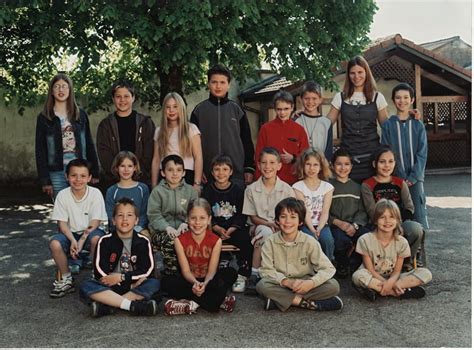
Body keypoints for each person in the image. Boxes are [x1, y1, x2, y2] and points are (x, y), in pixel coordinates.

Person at [256, 197, 343, 312]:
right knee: (262, 286)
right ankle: (307, 303)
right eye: (283, 217)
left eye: (293, 217)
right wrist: (287, 282)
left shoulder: (310, 241)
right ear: (277, 220)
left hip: (305, 283)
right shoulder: (270, 242)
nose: (287, 221)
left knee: (333, 286)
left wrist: (311, 283)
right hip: (282, 284)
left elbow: (328, 269)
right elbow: (266, 271)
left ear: (300, 221)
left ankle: (280, 300)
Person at [79, 198, 160, 317]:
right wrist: (128, 285)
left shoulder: (143, 241)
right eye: (120, 215)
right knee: (86, 285)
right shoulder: (104, 241)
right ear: (113, 220)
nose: (125, 219)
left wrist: (123, 277)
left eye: (129, 215)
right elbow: (100, 271)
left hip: (134, 283)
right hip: (112, 286)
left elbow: (148, 270)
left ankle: (109, 306)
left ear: (136, 220)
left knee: (154, 283)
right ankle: (133, 306)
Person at [162, 198, 238, 315]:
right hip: (189, 280)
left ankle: (190, 304)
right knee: (167, 282)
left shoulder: (216, 240)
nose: (197, 222)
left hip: (209, 280)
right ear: (187, 219)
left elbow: (212, 271)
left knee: (231, 273)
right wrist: (195, 284)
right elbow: (186, 271)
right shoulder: (179, 240)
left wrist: (205, 284)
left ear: (209, 219)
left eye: (202, 218)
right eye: (193, 218)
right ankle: (219, 301)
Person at [352, 199, 432, 301]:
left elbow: (397, 271)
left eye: (391, 217)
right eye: (382, 217)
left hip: (395, 277)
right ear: (375, 220)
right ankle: (396, 292)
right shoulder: (365, 240)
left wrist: (391, 282)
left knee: (426, 273)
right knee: (357, 276)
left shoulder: (401, 242)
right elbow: (370, 269)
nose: (387, 221)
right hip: (373, 276)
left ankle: (380, 290)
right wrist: (390, 284)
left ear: (398, 220)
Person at [49, 159, 107, 298]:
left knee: (97, 239)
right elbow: (61, 223)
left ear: (89, 178)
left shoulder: (95, 193)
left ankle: (97, 274)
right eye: (74, 175)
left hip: (90, 232)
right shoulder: (62, 195)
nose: (78, 179)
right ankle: (66, 277)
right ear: (66, 177)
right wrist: (72, 240)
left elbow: (95, 221)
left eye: (83, 176)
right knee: (55, 243)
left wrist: (81, 240)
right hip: (70, 233)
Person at [35, 73, 99, 199]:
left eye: (64, 86)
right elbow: (40, 150)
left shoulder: (80, 115)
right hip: (56, 171)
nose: (61, 90)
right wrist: (45, 179)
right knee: (62, 210)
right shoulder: (44, 118)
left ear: (70, 90)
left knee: (81, 209)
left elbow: (89, 143)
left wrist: (95, 171)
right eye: (57, 86)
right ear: (51, 91)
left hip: (80, 169)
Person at [190, 64, 255, 186]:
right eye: (214, 82)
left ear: (228, 85)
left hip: (235, 174)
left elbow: (247, 141)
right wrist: (197, 170)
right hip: (207, 174)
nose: (218, 86)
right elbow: (190, 145)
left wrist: (249, 168)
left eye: (222, 82)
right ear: (208, 84)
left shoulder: (237, 110)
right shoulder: (199, 111)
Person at [327, 56, 389, 182]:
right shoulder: (340, 97)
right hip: (349, 158)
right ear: (348, 75)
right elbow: (325, 124)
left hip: (372, 157)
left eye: (360, 72)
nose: (356, 76)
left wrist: (407, 116)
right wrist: (307, 113)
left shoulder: (377, 97)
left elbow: (388, 126)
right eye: (352, 73)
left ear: (366, 72)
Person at [361, 146, 424, 270]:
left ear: (395, 163)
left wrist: (398, 224)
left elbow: (409, 207)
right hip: (379, 224)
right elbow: (372, 211)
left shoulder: (400, 183)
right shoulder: (367, 185)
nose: (386, 166)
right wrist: (387, 223)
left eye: (390, 161)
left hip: (400, 223)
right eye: (382, 162)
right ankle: (383, 264)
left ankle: (407, 261)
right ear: (375, 164)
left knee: (416, 229)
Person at [242, 147, 295, 294]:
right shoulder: (251, 189)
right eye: (264, 163)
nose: (268, 166)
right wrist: (268, 224)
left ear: (279, 166)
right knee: (265, 233)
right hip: (260, 225)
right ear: (258, 165)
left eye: (272, 162)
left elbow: (291, 215)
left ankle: (278, 274)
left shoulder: (286, 189)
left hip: (283, 226)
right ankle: (254, 274)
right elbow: (252, 217)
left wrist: (280, 225)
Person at [202, 155, 253, 293]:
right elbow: (204, 212)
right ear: (212, 172)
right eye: (217, 169)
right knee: (204, 238)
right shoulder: (207, 191)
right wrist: (215, 227)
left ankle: (243, 272)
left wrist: (231, 229)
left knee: (246, 239)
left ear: (231, 172)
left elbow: (242, 213)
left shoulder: (237, 190)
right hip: (214, 228)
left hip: (233, 228)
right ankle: (213, 267)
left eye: (225, 169)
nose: (221, 173)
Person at [381, 83, 429, 230]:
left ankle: (420, 252)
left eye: (406, 97)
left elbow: (422, 153)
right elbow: (386, 152)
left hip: (415, 179)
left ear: (412, 99)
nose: (402, 101)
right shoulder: (388, 125)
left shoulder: (418, 125)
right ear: (393, 100)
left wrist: (413, 177)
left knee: (419, 215)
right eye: (398, 97)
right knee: (397, 215)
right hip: (396, 178)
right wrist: (399, 177)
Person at [96, 80, 155, 189]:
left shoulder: (146, 123)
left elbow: (149, 151)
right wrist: (119, 172)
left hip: (141, 180)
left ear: (133, 98)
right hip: (113, 181)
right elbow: (104, 153)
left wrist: (136, 172)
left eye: (126, 96)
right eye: (118, 96)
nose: (122, 100)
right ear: (113, 99)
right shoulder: (105, 125)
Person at [147, 155, 198, 278]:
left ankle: (192, 272)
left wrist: (186, 223)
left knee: (194, 239)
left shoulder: (190, 191)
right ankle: (172, 275)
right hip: (162, 232)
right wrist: (167, 228)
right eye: (170, 170)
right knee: (173, 241)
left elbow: (195, 211)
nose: (175, 174)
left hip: (184, 229)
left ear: (184, 172)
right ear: (163, 173)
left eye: (179, 170)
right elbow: (154, 215)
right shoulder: (157, 192)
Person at [328, 148, 370, 278]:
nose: (343, 167)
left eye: (346, 164)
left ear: (351, 166)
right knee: (341, 240)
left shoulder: (357, 187)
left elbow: (362, 211)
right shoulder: (328, 186)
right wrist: (338, 223)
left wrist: (355, 225)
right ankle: (342, 264)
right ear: (332, 166)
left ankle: (356, 263)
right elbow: (323, 211)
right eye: (339, 164)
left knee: (366, 237)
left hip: (354, 225)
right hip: (336, 226)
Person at [151, 92, 203, 193]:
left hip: (187, 175)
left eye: (175, 106)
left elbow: (198, 157)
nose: (171, 110)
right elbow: (156, 159)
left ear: (181, 108)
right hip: (166, 175)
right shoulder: (159, 131)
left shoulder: (191, 129)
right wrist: (154, 185)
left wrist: (197, 183)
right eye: (168, 107)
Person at [254, 90, 309, 185]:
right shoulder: (266, 129)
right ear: (274, 109)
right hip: (270, 181)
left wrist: (293, 158)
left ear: (292, 107)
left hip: (293, 181)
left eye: (286, 109)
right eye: (279, 109)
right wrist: (259, 180)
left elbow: (306, 156)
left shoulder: (299, 130)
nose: (282, 113)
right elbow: (258, 156)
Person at [292, 148, 335, 262]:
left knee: (327, 240)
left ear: (321, 167)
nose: (311, 168)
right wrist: (312, 230)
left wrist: (319, 228)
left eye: (315, 165)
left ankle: (328, 266)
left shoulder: (327, 187)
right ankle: (310, 269)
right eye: (308, 164)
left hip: (322, 224)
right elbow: (304, 211)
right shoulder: (297, 187)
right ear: (302, 165)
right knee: (311, 240)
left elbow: (325, 211)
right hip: (306, 225)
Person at [105, 151, 150, 238]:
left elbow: (144, 212)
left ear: (135, 168)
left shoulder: (142, 188)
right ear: (117, 168)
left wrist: (137, 228)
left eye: (129, 166)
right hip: (118, 229)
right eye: (122, 166)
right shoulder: (112, 190)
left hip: (138, 228)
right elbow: (110, 214)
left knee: (146, 236)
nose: (126, 170)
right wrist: (121, 228)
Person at [293, 81, 333, 160]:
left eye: (314, 98)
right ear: (301, 99)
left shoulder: (326, 123)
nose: (310, 102)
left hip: (321, 166)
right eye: (306, 98)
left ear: (320, 100)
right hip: (301, 166)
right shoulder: (296, 121)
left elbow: (328, 151)